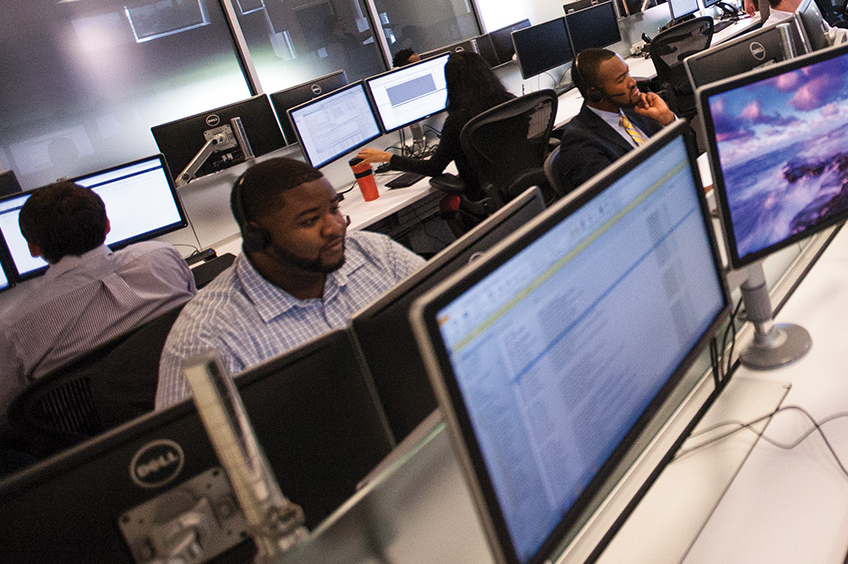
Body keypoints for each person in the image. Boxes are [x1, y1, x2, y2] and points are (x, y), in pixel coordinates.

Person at [155, 158, 424, 408]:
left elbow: (444, 308)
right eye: (309, 221)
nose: (335, 228)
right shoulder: (205, 341)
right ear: (256, 236)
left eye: (334, 209)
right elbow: (205, 453)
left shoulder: (374, 252)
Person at [0, 182, 196, 417]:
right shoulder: (160, 256)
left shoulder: (13, 326)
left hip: (108, 441)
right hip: (193, 399)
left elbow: (10, 413)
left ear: (33, 248)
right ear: (107, 225)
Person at [355, 51, 513, 199]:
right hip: (521, 186)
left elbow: (433, 168)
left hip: (487, 196)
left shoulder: (457, 121)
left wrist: (387, 157)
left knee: (447, 204)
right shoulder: (511, 102)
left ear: (452, 84)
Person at [553, 48, 677, 193]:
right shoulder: (579, 142)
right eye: (621, 80)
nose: (632, 82)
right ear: (595, 93)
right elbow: (616, 196)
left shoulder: (637, 109)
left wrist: (669, 120)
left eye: (628, 73)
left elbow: (690, 149)